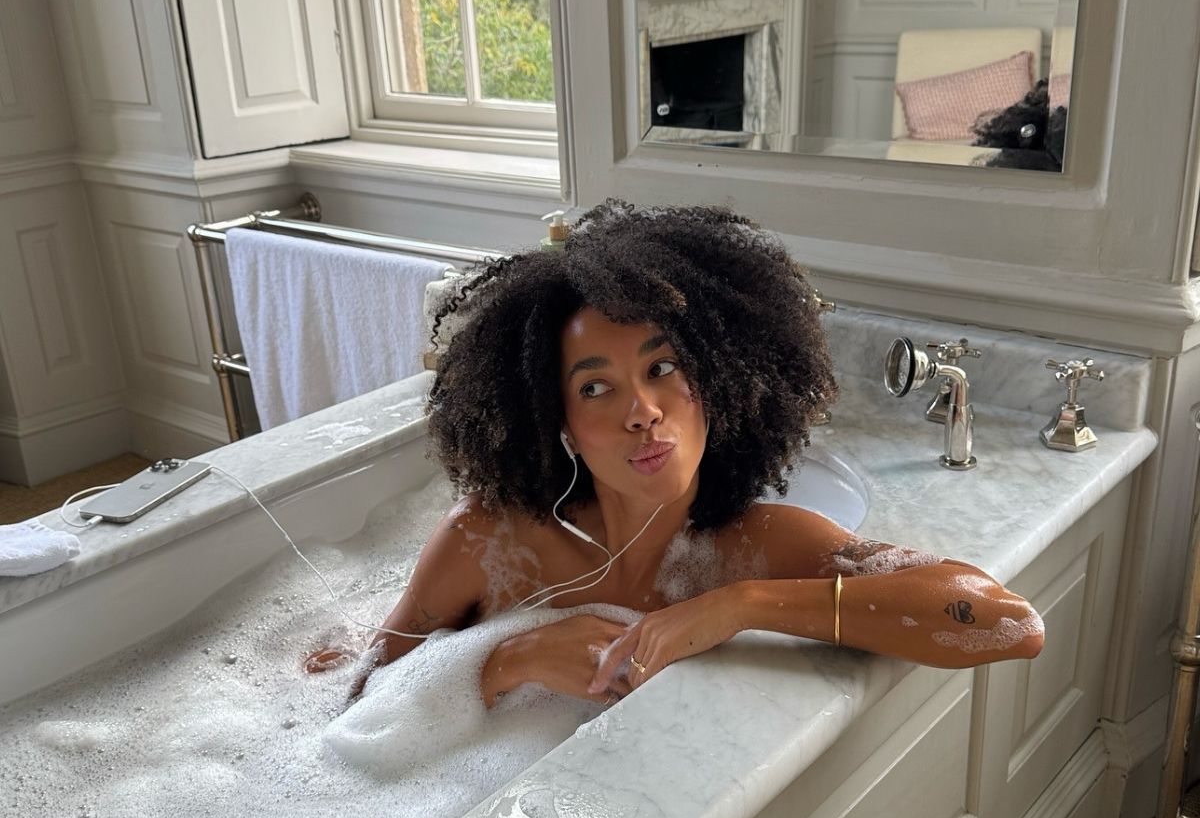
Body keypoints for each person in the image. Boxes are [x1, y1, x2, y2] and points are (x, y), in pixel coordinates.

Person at [306, 201, 1043, 705]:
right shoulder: (489, 541)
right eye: (596, 389)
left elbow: (1007, 623)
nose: (642, 413)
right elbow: (365, 696)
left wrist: (740, 605)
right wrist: (514, 658)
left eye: (662, 370)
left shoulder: (755, 547)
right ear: (554, 419)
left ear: (713, 378)